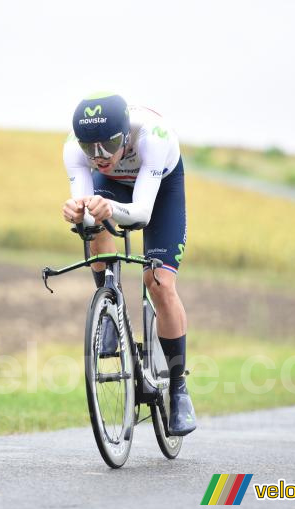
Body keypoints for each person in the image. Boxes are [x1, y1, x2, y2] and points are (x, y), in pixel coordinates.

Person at [61, 92, 196, 436]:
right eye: (90, 149)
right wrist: (78, 212)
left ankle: (179, 388)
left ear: (126, 136)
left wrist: (107, 208)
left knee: (160, 283)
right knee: (92, 222)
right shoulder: (74, 150)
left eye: (108, 145)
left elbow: (142, 214)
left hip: (159, 190)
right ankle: (108, 306)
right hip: (117, 188)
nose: (99, 157)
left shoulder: (153, 138)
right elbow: (87, 209)